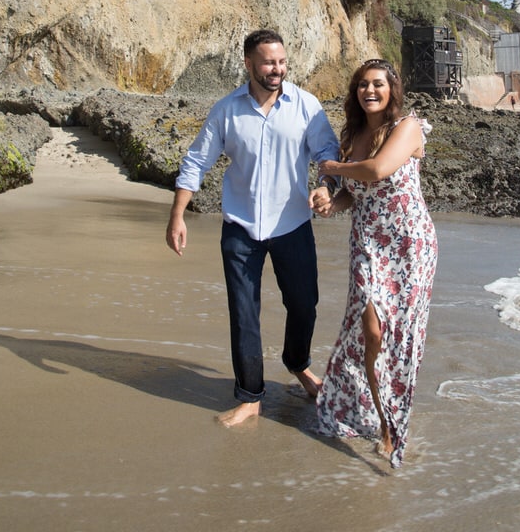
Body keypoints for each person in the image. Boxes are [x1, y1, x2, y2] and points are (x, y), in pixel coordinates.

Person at [166, 28, 339, 427]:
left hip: (292, 224)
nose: (277, 69)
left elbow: (328, 152)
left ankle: (298, 363)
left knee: (304, 304)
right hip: (241, 227)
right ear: (248, 63)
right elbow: (196, 162)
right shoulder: (226, 111)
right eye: (268, 62)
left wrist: (326, 185)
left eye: (281, 62)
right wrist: (177, 215)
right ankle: (250, 395)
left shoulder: (306, 106)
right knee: (244, 312)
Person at [309, 59, 438, 468]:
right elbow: (355, 191)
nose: (370, 91)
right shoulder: (353, 135)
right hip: (367, 243)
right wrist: (331, 199)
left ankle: (390, 424)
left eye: (378, 84)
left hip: (409, 245)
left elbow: (379, 169)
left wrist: (332, 169)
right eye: (363, 85)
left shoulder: (409, 127)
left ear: (392, 89)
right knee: (371, 332)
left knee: (398, 338)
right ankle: (377, 412)